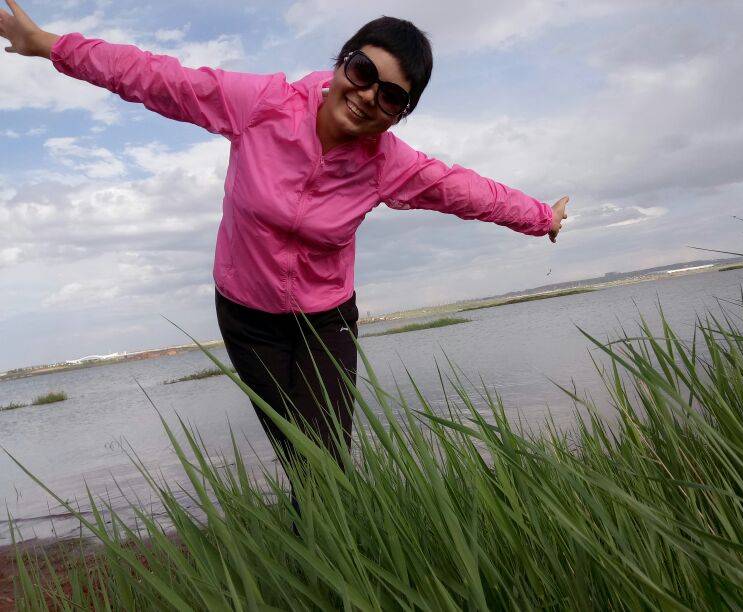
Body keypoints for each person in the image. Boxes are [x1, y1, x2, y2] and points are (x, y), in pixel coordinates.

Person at [0, 1, 569, 511]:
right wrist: (47, 44)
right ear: (343, 63)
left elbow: (464, 190)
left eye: (392, 96)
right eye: (363, 72)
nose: (368, 96)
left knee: (326, 463)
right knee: (301, 457)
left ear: (401, 113)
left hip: (326, 320)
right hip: (249, 319)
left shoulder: (387, 163)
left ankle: (332, 556)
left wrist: (541, 217)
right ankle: (317, 553)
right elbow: (154, 76)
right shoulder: (262, 105)